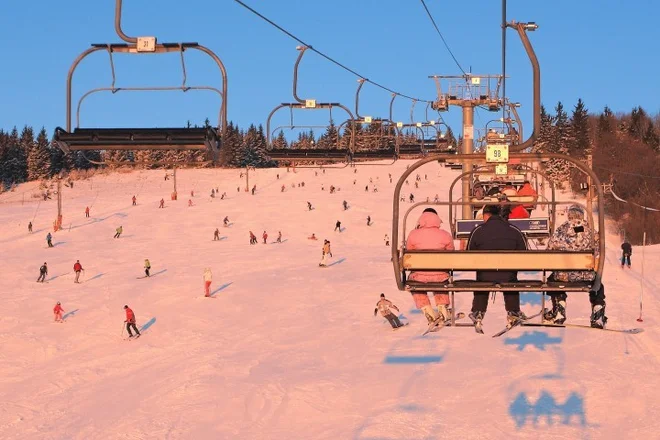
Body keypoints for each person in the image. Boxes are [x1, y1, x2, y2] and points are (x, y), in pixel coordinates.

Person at [544, 205, 607, 328]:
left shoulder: (561, 231)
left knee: (552, 280)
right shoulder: (590, 231)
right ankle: (598, 312)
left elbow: (550, 249)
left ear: (569, 215)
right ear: (582, 216)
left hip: (563, 276)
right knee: (598, 283)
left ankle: (559, 306)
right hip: (586, 276)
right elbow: (598, 251)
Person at [466, 204, 528, 329]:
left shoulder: (478, 231)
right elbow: (524, 253)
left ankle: (478, 311)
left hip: (485, 275)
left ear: (486, 215)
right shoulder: (514, 230)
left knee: (482, 279)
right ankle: (513, 311)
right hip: (508, 275)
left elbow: (469, 254)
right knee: (510, 278)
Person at [406, 208, 455, 325]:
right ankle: (442, 308)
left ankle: (428, 310)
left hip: (419, 276)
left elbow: (408, 253)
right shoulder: (445, 235)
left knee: (415, 285)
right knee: (440, 280)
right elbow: (451, 254)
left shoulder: (413, 234)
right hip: (440, 275)